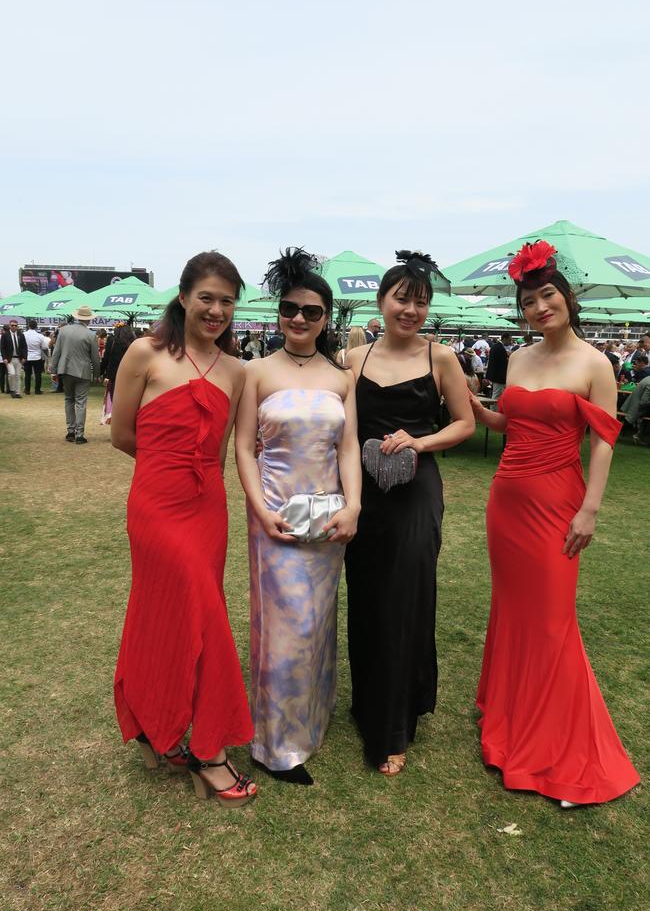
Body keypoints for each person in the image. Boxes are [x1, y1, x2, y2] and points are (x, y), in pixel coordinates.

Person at [469, 239, 640, 808]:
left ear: (567, 297)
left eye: (548, 295)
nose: (539, 308)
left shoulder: (596, 363)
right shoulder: (518, 359)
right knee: (515, 613)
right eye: (529, 301)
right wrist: (468, 402)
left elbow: (604, 443)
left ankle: (563, 752)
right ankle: (512, 718)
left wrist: (590, 508)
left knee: (551, 623)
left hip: (558, 504)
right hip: (507, 502)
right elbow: (508, 421)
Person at [111, 250, 257, 806]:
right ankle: (208, 752)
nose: (216, 309)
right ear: (183, 297)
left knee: (172, 617)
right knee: (202, 615)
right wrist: (166, 471)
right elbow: (122, 435)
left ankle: (155, 730)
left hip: (207, 510)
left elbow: (221, 450)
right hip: (156, 506)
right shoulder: (145, 354)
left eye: (226, 300)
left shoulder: (236, 370)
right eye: (206, 298)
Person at [344, 250, 475, 775]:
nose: (411, 310)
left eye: (421, 302)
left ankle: (393, 726)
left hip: (417, 492)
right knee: (367, 596)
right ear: (381, 301)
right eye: (402, 298)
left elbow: (464, 423)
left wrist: (419, 442)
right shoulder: (354, 359)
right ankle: (367, 704)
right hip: (363, 494)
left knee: (406, 599)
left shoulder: (440, 358)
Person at [236, 248, 361, 786]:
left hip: (328, 518)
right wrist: (261, 512)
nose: (300, 320)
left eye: (312, 312)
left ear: (326, 318)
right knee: (285, 627)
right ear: (278, 313)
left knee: (316, 624)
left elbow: (349, 447)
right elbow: (244, 447)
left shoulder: (340, 377)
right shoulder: (255, 372)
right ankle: (276, 745)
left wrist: (354, 505)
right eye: (290, 309)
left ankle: (311, 717)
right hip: (276, 516)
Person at [50, 306, 101, 443]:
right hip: (83, 372)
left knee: (68, 399)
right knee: (81, 402)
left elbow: (56, 352)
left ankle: (70, 431)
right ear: (89, 320)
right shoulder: (91, 335)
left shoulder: (63, 331)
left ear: (77, 317)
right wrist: (97, 373)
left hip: (66, 369)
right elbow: (95, 357)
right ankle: (79, 434)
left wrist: (53, 370)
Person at [23, 320, 51, 395]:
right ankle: (37, 390)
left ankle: (27, 390)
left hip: (27, 357)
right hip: (37, 357)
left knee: (27, 374)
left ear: (29, 326)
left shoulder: (24, 334)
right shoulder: (40, 336)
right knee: (38, 374)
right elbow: (44, 347)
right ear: (36, 326)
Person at [1, 319, 27, 398]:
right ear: (9, 326)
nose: (14, 327)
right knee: (12, 374)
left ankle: (17, 392)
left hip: (18, 358)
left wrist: (24, 357)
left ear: (17, 326)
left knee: (18, 375)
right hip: (9, 359)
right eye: (12, 325)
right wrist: (4, 358)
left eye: (15, 325)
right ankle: (12, 390)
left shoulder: (21, 335)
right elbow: (2, 348)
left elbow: (24, 347)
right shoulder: (5, 335)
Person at [484, 333, 513, 402]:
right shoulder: (499, 348)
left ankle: (494, 409)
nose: (510, 342)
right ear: (504, 339)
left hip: (497, 375)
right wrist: (508, 357)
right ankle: (493, 410)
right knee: (497, 394)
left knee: (497, 393)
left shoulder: (496, 347)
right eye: (509, 340)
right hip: (499, 376)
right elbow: (502, 362)